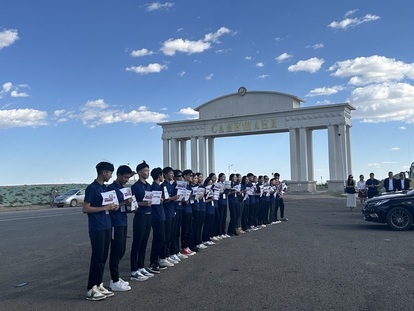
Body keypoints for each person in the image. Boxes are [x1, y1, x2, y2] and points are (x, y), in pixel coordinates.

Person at [83, 161, 117, 301]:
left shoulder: (106, 189)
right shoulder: (92, 188)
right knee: (97, 258)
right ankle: (91, 289)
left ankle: (99, 284)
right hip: (97, 228)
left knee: (103, 258)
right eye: (110, 173)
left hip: (107, 225)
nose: (110, 175)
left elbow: (108, 205)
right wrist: (105, 208)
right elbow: (85, 208)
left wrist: (112, 207)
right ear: (103, 172)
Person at [107, 165, 134, 292]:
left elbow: (125, 207)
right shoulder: (111, 189)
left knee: (122, 250)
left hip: (123, 221)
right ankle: (114, 280)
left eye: (128, 178)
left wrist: (132, 206)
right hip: (115, 223)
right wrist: (125, 202)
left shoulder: (124, 189)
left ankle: (117, 278)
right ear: (118, 175)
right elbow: (112, 206)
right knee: (116, 251)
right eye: (125, 177)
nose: (126, 180)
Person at [130, 161, 154, 281]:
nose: (147, 172)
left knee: (144, 242)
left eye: (148, 170)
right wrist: (142, 203)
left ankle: (141, 267)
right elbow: (131, 203)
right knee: (137, 243)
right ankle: (134, 270)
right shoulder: (135, 187)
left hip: (149, 215)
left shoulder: (148, 185)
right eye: (145, 170)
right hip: (140, 216)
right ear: (139, 172)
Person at [149, 167, 169, 272]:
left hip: (161, 215)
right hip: (156, 216)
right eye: (162, 175)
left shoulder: (159, 187)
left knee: (161, 239)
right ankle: (153, 263)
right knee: (159, 239)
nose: (162, 177)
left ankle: (157, 261)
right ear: (159, 175)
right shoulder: (153, 187)